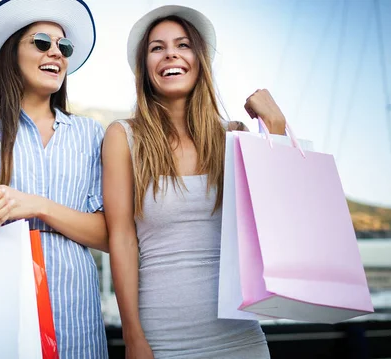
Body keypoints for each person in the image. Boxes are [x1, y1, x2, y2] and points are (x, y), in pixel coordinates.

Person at [103, 5, 287, 358]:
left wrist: (275, 129)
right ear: (145, 68)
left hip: (241, 339)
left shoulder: (233, 137)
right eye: (157, 48)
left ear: (200, 60)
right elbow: (122, 239)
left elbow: (273, 221)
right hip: (161, 339)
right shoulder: (123, 137)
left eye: (182, 44)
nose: (170, 52)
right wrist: (133, 337)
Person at [0, 0, 108, 357]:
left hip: (79, 312)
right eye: (42, 42)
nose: (56, 52)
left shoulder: (91, 134)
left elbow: (109, 234)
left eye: (64, 46)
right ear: (10, 52)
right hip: (0, 306)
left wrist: (38, 206)